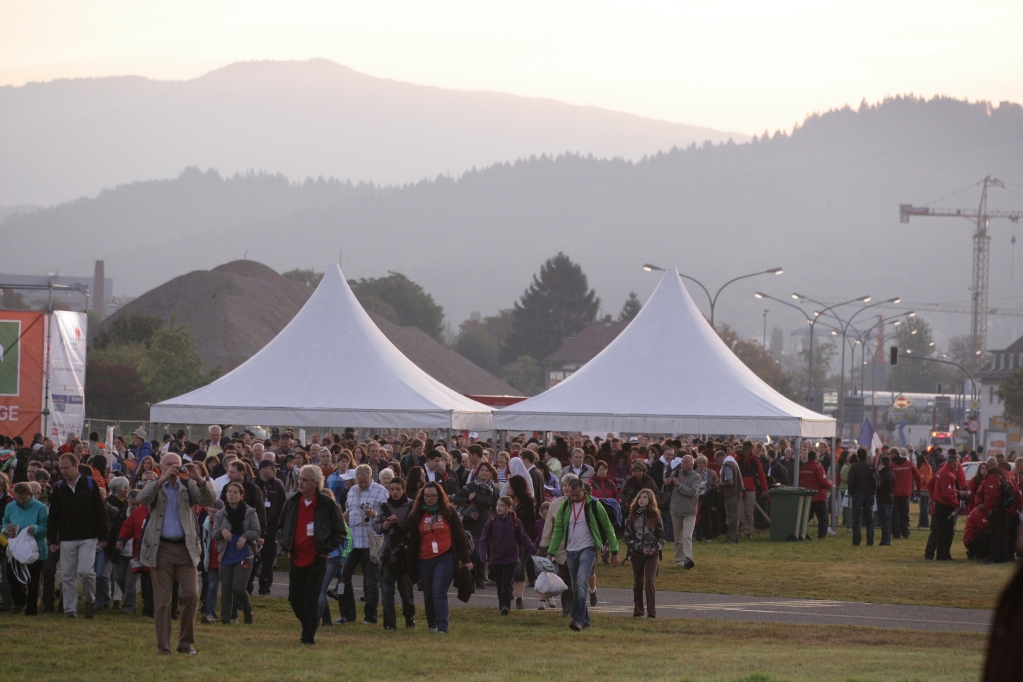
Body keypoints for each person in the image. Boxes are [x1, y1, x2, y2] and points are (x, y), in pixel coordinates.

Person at [137, 453, 216, 655]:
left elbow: (210, 499)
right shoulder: (156, 484)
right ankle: (163, 646)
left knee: (191, 594)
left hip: (185, 548)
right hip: (160, 548)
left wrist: (198, 478)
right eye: (169, 464)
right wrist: (162, 480)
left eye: (177, 465)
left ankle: (185, 643)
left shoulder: (187, 485)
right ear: (160, 466)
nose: (174, 468)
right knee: (163, 600)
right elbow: (141, 498)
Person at [279, 464, 346, 645]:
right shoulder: (292, 502)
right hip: (296, 558)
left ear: (315, 483)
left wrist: (325, 549)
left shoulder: (328, 505)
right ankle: (310, 624)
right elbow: (281, 527)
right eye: (300, 478)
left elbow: (340, 532)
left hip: (317, 559)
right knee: (294, 598)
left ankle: (308, 638)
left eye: (304, 480)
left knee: (311, 599)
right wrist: (285, 545)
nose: (300, 482)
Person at [546, 477, 619, 631]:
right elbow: (558, 530)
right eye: (571, 495)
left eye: (577, 495)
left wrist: (614, 551)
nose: (574, 498)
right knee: (575, 586)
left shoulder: (594, 505)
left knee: (580, 582)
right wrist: (550, 553)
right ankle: (585, 620)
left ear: (583, 491)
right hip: (570, 551)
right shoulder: (565, 506)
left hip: (588, 549)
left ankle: (577, 619)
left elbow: (608, 527)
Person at [400, 481, 474, 634]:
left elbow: (460, 536)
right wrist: (391, 525)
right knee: (428, 593)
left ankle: (442, 627)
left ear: (439, 496)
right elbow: (403, 531)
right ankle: (431, 625)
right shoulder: (417, 513)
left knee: (438, 590)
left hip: (445, 557)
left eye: (433, 496)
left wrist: (466, 560)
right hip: (424, 558)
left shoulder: (448, 511)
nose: (430, 499)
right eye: (427, 496)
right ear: (422, 497)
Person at [47, 452, 109, 619]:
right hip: (66, 538)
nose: (63, 471)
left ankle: (89, 600)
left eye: (66, 468)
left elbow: (100, 510)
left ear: (76, 466)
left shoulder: (90, 484)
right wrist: (52, 539)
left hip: (88, 537)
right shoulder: (59, 487)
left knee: (86, 571)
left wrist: (104, 536)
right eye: (61, 468)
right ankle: (70, 610)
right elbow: (53, 516)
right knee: (67, 575)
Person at [338, 464, 388, 625]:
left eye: (365, 482)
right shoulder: (352, 491)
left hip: (370, 542)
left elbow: (389, 515)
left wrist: (375, 514)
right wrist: (342, 519)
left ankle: (370, 617)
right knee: (343, 578)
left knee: (371, 581)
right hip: (352, 543)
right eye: (359, 482)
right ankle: (347, 614)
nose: (362, 485)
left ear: (371, 477)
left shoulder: (381, 491)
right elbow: (348, 510)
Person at [479, 495, 537, 615]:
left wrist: (534, 551)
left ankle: (506, 607)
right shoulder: (492, 522)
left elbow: (524, 538)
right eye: (498, 505)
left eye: (502, 505)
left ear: (509, 507)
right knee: (500, 584)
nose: (499, 508)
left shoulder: (516, 522)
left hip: (512, 558)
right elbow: (483, 539)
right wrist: (483, 555)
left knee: (507, 581)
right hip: (496, 558)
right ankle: (502, 604)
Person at [212, 481, 260, 624]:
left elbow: (257, 531)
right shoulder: (221, 513)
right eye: (229, 492)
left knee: (238, 588)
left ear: (241, 495)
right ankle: (226, 620)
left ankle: (248, 611)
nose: (231, 494)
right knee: (226, 589)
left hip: (244, 553)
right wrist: (222, 530)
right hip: (226, 553)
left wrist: (245, 537)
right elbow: (214, 533)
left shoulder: (250, 512)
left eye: (234, 492)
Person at [373, 476, 416, 629]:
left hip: (405, 555)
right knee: (386, 594)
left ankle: (409, 618)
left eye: (398, 489)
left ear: (404, 489)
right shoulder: (384, 507)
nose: (395, 492)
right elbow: (375, 525)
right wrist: (383, 525)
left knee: (406, 593)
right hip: (388, 554)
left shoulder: (412, 506)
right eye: (392, 489)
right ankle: (389, 624)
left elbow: (416, 526)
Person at [2, 481, 48, 615]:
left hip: (36, 549)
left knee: (33, 580)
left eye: (24, 498)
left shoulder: (41, 508)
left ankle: (31, 609)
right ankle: (19, 600)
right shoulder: (11, 506)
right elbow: (5, 521)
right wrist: (6, 530)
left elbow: (46, 528)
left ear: (30, 494)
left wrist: (36, 529)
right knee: (11, 575)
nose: (21, 501)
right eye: (18, 498)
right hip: (16, 548)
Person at [451, 462, 499, 589]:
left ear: (491, 473)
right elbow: (456, 499)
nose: (484, 472)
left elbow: (496, 505)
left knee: (483, 551)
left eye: (486, 470)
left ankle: (480, 580)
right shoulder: (470, 486)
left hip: (486, 522)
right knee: (475, 551)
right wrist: (468, 499)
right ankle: (471, 577)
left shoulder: (493, 489)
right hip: (471, 522)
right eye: (481, 470)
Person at [624, 488, 665, 618]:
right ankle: (638, 610)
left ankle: (652, 612)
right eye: (640, 497)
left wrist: (653, 550)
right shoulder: (632, 516)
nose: (642, 499)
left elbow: (662, 537)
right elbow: (627, 537)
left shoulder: (656, 517)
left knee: (649, 581)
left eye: (645, 497)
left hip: (652, 554)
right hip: (636, 553)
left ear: (650, 500)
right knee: (638, 581)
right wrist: (638, 548)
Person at [256, 460, 286, 595]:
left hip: (271, 528)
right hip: (255, 528)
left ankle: (264, 589)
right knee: (252, 558)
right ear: (262, 469)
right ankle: (247, 588)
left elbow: (282, 505)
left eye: (276, 468)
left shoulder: (277, 484)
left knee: (269, 558)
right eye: (271, 468)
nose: (275, 470)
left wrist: (279, 524)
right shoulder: (253, 484)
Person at [668, 454, 700, 568]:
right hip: (675, 510)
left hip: (689, 511)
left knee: (687, 536)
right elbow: (669, 491)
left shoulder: (696, 477)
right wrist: (667, 484)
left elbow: (692, 492)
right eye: (682, 461)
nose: (683, 464)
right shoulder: (675, 473)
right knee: (678, 538)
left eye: (686, 462)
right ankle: (679, 561)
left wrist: (678, 484)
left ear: (692, 464)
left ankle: (688, 559)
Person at [929, 452, 961, 561]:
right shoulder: (948, 474)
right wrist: (956, 505)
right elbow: (947, 493)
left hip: (939, 504)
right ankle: (943, 555)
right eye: (956, 465)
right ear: (953, 464)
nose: (957, 467)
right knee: (946, 531)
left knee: (942, 531)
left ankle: (942, 554)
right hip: (945, 506)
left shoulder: (941, 471)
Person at [799, 450, 833, 539]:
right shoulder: (819, 467)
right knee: (822, 518)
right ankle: (821, 535)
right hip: (819, 496)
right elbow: (822, 482)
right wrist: (830, 484)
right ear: (816, 457)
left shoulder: (803, 468)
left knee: (806, 516)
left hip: (807, 497)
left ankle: (799, 531)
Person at [846, 448, 876, 546]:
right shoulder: (871, 467)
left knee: (856, 518)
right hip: (868, 494)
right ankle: (870, 541)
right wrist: (872, 492)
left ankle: (856, 541)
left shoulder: (854, 467)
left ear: (858, 456)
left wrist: (851, 491)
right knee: (869, 519)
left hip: (857, 494)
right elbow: (874, 481)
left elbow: (850, 480)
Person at [889, 448, 921, 540]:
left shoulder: (891, 464)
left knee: (895, 514)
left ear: (894, 454)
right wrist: (918, 488)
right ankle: (905, 532)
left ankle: (896, 533)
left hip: (894, 493)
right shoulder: (909, 463)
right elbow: (917, 476)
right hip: (906, 492)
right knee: (904, 513)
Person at [718, 451, 742, 543]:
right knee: (735, 516)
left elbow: (730, 481)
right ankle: (735, 537)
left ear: (721, 457)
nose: (719, 463)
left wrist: (720, 485)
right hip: (736, 492)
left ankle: (731, 538)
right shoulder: (733, 462)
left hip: (732, 493)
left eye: (718, 461)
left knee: (732, 517)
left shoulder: (727, 465)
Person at [876, 455, 896, 546]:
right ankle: (887, 539)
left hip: (883, 499)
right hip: (889, 498)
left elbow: (880, 486)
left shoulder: (883, 474)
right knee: (888, 520)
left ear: (882, 462)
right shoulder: (891, 473)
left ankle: (885, 540)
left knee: (884, 521)